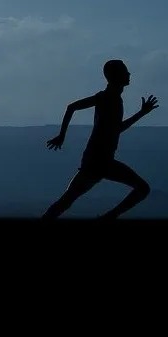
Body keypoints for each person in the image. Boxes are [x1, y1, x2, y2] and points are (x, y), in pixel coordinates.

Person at [41, 59, 158, 220]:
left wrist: (62, 136)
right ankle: (108, 218)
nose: (129, 74)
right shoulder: (109, 98)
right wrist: (141, 114)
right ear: (116, 76)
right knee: (143, 188)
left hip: (95, 160)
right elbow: (74, 108)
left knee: (67, 200)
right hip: (100, 161)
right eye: (125, 71)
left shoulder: (109, 97)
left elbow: (73, 108)